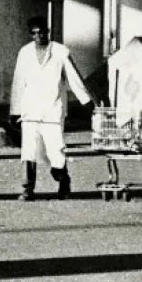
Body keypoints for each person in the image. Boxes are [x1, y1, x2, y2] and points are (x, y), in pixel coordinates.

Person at [9, 15, 94, 200]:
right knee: (28, 151)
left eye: (41, 32)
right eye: (34, 33)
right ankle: (27, 188)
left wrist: (86, 101)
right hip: (30, 110)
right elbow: (18, 82)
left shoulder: (61, 51)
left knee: (56, 150)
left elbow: (73, 77)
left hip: (52, 109)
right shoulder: (24, 53)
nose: (38, 36)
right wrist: (14, 111)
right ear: (30, 34)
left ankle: (62, 179)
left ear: (48, 31)